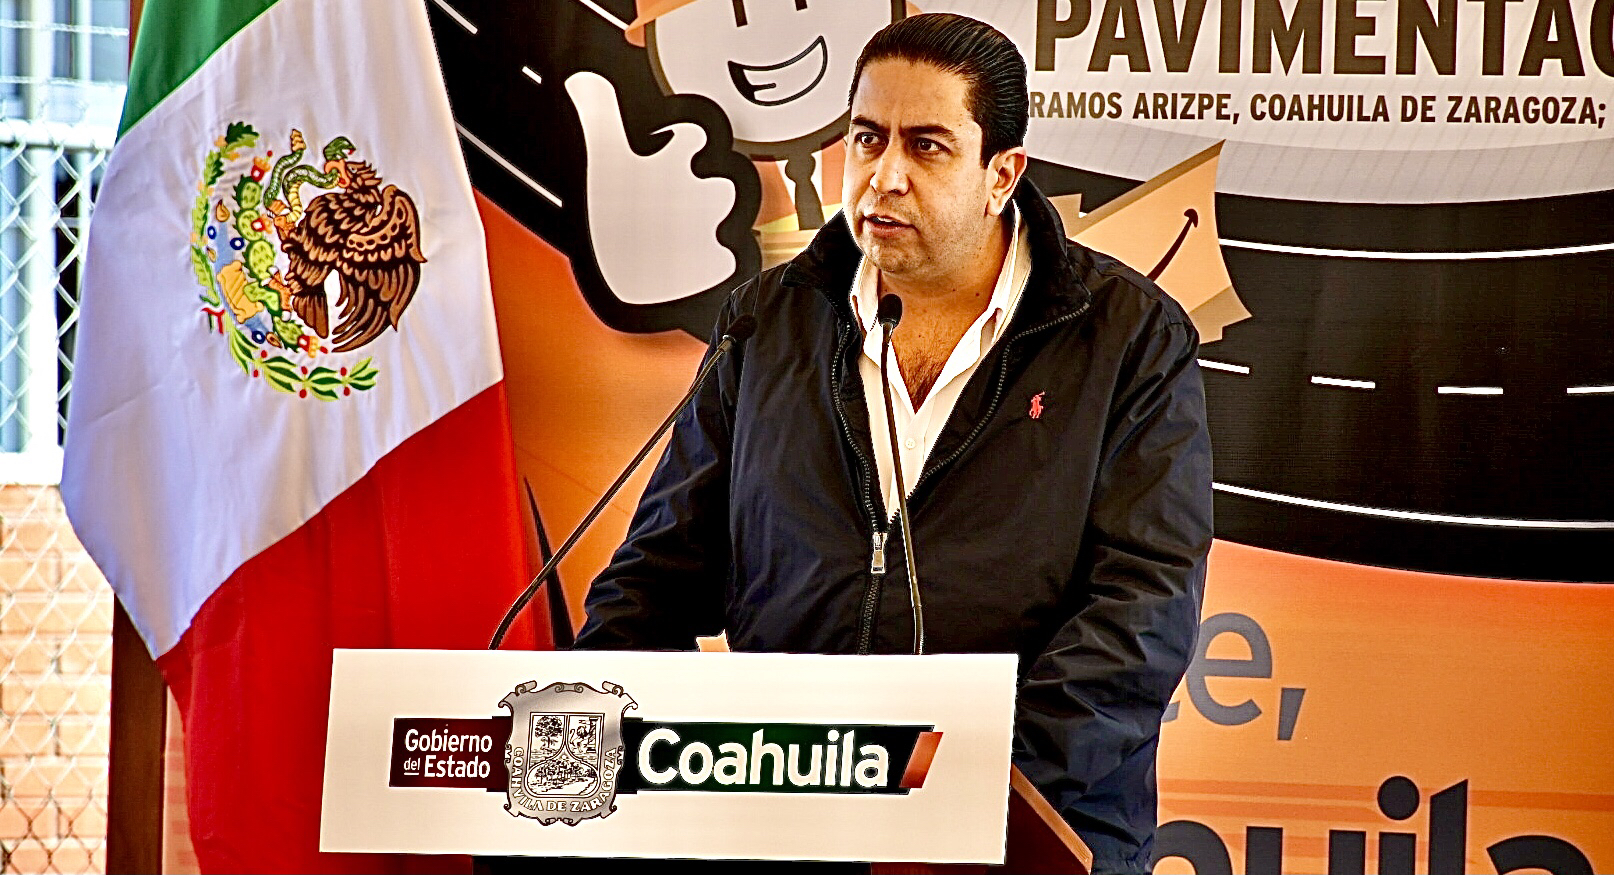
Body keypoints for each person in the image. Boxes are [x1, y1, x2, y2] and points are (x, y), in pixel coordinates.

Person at [576, 13, 1212, 874]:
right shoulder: (768, 321)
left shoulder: (1128, 338)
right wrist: (600, 741)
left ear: (1002, 175)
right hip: (788, 826)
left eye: (927, 146)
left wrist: (964, 789)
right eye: (867, 139)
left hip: (1027, 830)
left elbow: (1138, 616)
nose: (884, 176)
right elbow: (653, 579)